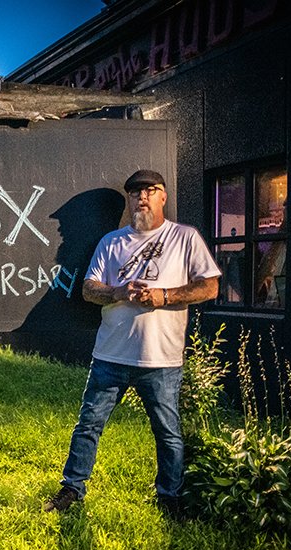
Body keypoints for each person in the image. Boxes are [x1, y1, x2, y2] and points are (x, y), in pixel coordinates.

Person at [43, 169, 221, 516]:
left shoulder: (184, 238)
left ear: (163, 196)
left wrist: (163, 296)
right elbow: (88, 289)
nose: (142, 197)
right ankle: (72, 489)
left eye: (150, 190)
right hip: (110, 355)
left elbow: (210, 286)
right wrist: (118, 292)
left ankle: (169, 496)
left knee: (167, 432)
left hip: (161, 360)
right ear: (129, 199)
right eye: (135, 192)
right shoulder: (111, 243)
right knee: (89, 425)